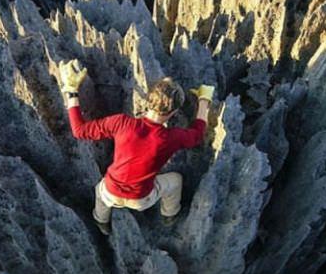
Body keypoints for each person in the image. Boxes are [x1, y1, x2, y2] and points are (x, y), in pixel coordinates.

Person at [59, 59, 214, 235]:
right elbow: (197, 135)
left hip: (111, 191)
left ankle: (101, 222)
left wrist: (71, 90)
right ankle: (169, 214)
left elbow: (79, 131)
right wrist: (204, 101)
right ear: (173, 112)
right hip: (141, 199)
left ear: (148, 101)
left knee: (100, 194)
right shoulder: (171, 137)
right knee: (175, 180)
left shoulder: (121, 123)